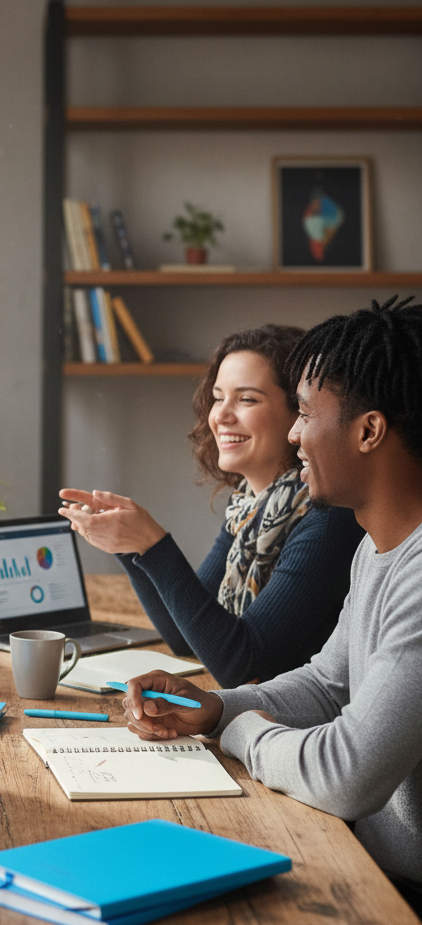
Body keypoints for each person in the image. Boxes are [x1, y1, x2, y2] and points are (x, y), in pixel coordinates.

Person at [119, 296, 422, 907]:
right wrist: (214, 708)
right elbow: (325, 685)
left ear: (369, 430)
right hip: (372, 864)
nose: (292, 434)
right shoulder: (377, 550)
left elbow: (348, 770)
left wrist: (243, 732)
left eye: (305, 412)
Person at [59, 324, 363, 688]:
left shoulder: (327, 521)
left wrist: (153, 545)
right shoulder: (249, 512)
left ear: (297, 413)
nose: (220, 415)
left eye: (246, 399)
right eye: (218, 397)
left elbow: (239, 663)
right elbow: (185, 636)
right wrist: (128, 544)